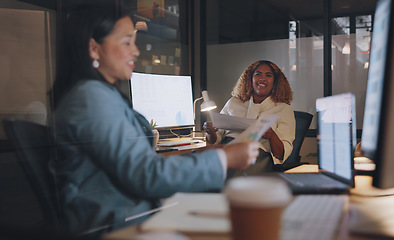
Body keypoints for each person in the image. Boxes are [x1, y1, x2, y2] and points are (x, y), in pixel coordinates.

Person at [49, 6, 259, 236]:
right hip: (116, 225)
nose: (136, 51)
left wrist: (210, 153)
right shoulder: (90, 98)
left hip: (129, 214)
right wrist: (223, 158)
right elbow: (146, 175)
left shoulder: (98, 95)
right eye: (127, 42)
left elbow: (136, 166)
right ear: (93, 48)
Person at [204, 60, 295, 177]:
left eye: (268, 75)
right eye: (258, 74)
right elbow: (215, 139)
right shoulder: (234, 102)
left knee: (226, 173)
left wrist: (272, 135)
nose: (262, 78)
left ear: (275, 82)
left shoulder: (283, 109)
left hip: (257, 155)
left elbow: (280, 153)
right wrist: (211, 132)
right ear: (250, 79)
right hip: (227, 148)